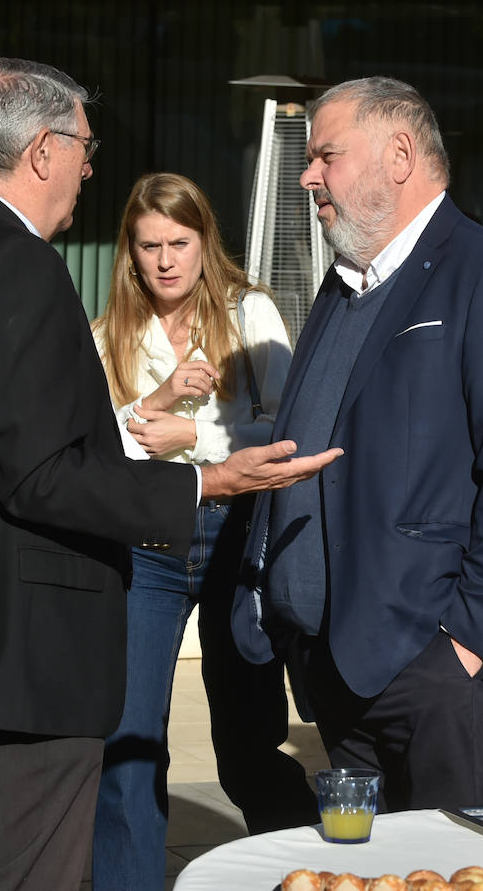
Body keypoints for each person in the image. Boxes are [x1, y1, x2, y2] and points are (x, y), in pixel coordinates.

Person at [0, 57, 338, 891]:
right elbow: (41, 475)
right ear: (44, 151)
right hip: (28, 654)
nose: (90, 171)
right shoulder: (20, 265)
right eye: (87, 150)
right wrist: (206, 483)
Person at [230, 76, 483, 813]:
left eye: (326, 155)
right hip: (338, 667)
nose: (307, 175)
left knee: (446, 872)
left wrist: (469, 644)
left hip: (434, 668)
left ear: (401, 155)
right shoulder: (344, 284)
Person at [89, 173, 315, 890]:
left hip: (236, 535)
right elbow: (93, 449)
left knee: (247, 744)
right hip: (147, 538)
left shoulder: (248, 313)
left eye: (178, 243)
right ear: (130, 251)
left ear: (203, 240)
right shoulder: (111, 331)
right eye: (149, 245)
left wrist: (193, 430)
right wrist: (150, 406)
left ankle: (306, 874)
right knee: (128, 742)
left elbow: (287, 433)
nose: (164, 261)